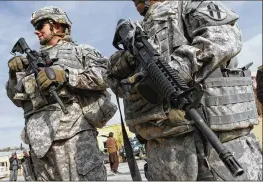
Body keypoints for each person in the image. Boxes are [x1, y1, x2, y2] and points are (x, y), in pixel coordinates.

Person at [106, 0, 262, 181]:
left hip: (219, 146)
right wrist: (128, 62)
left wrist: (171, 72)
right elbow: (113, 79)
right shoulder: (136, 31)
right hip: (164, 158)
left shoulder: (191, 6)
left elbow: (224, 39)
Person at [6, 6, 117, 181]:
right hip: (39, 144)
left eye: (41, 25)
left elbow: (106, 76)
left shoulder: (80, 51)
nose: (36, 32)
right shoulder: (30, 61)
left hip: (73, 136)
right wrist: (13, 75)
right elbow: (17, 99)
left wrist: (66, 76)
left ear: (57, 26)